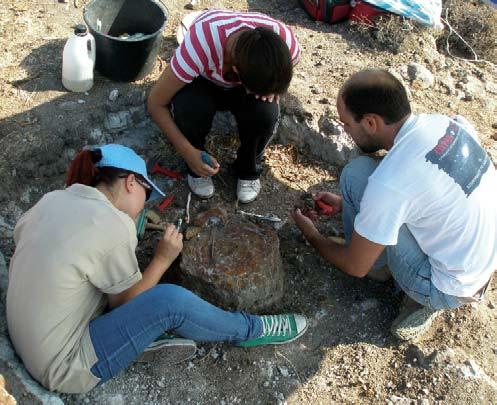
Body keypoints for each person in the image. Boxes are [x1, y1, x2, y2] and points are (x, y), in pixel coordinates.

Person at [6, 144, 308, 394]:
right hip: (63, 367)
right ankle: (251, 329)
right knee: (168, 302)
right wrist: (162, 259)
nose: (144, 203)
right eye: (146, 194)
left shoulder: (54, 199)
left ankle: (138, 341)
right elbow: (124, 303)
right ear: (130, 182)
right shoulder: (111, 224)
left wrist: (128, 234)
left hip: (28, 339)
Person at [291, 69, 497, 341]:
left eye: (347, 125)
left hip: (448, 286)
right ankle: (382, 249)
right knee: (358, 174)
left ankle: (404, 287)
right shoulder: (445, 123)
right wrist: (347, 203)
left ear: (371, 123)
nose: (346, 131)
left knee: (367, 199)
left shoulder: (389, 182)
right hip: (480, 259)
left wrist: (312, 235)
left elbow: (355, 266)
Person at [147, 9, 301, 203]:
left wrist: (273, 90)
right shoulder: (201, 43)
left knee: (266, 112)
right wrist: (187, 151)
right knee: (191, 108)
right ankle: (197, 165)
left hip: (246, 75)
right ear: (236, 72)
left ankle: (247, 168)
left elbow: (291, 65)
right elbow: (155, 103)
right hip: (203, 79)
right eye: (255, 90)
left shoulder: (285, 41)